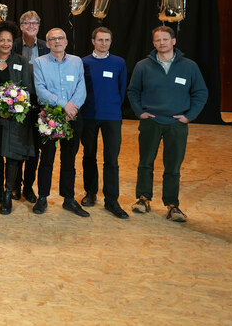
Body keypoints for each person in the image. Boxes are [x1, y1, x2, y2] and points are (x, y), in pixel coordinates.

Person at [127, 26, 207, 222]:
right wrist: (140, 112)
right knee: (145, 163)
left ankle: (172, 205)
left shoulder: (189, 66)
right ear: (153, 43)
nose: (161, 43)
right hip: (151, 122)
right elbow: (133, 91)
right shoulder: (142, 66)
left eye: (165, 39)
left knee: (173, 166)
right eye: (157, 40)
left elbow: (200, 92)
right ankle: (143, 199)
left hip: (176, 124)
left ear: (173, 41)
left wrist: (189, 116)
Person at [32, 28, 87, 217]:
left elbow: (81, 87)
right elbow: (40, 90)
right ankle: (42, 197)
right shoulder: (39, 62)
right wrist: (64, 104)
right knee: (46, 158)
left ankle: (69, 199)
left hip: (73, 116)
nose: (57, 41)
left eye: (60, 38)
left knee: (69, 159)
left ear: (66, 42)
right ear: (47, 44)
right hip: (50, 115)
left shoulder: (76, 61)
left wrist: (73, 107)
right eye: (52, 39)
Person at [0, 21, 35, 215]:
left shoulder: (22, 62)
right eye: (2, 40)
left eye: (9, 40)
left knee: (12, 156)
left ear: (13, 42)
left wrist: (13, 106)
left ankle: (7, 193)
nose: (5, 43)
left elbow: (27, 90)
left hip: (15, 118)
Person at [80, 27, 129, 219]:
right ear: (93, 41)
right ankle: (90, 193)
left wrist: (114, 106)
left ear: (111, 42)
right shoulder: (83, 63)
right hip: (89, 115)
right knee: (89, 155)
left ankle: (111, 200)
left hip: (112, 117)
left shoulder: (119, 63)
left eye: (107, 40)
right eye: (100, 40)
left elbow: (121, 88)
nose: (104, 44)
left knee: (111, 159)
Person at [12, 10, 50, 202]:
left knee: (34, 148)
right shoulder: (13, 45)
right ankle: (15, 186)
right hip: (16, 102)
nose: (31, 26)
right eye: (27, 23)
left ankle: (28, 187)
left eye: (35, 23)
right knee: (17, 146)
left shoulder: (46, 47)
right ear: (21, 27)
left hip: (39, 103)